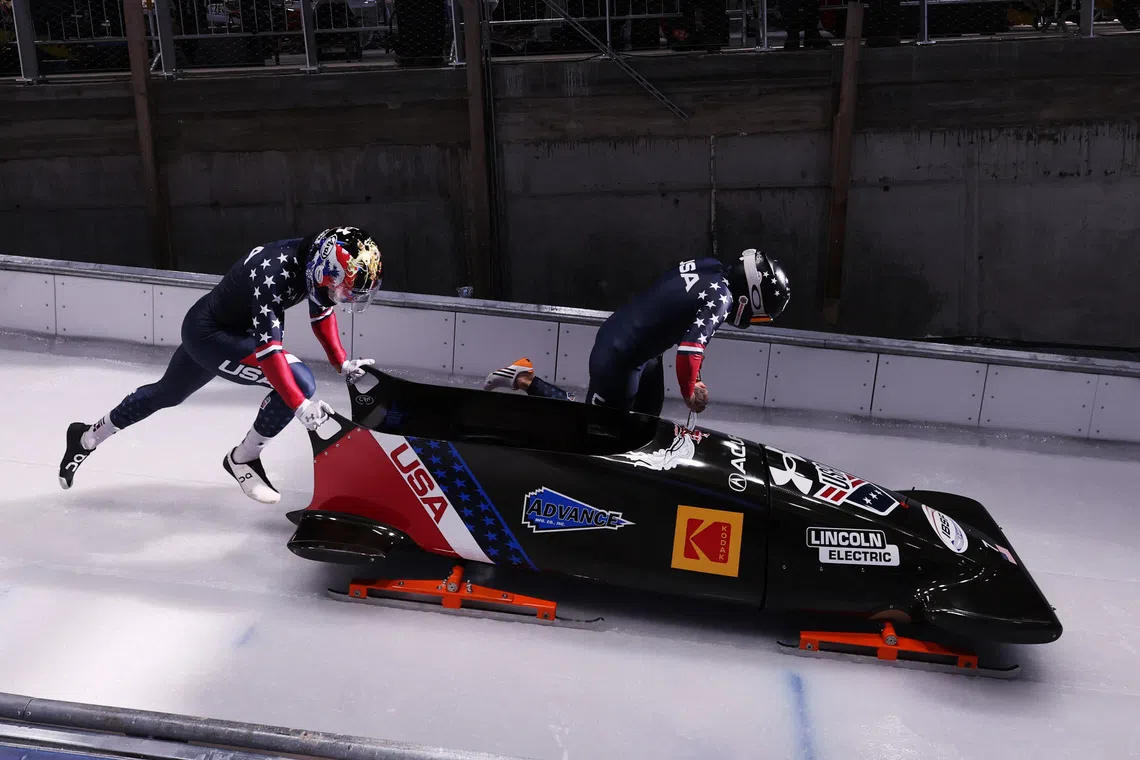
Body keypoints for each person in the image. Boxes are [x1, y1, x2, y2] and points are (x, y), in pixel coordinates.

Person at [57, 226, 384, 505]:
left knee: (165, 394)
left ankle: (85, 437)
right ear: (323, 270)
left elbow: (321, 312)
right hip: (212, 336)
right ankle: (243, 458)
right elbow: (270, 353)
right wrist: (300, 406)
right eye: (341, 289)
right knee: (300, 382)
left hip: (213, 327)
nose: (341, 297)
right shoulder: (276, 275)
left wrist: (341, 362)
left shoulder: (312, 259)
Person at [484, 249, 790, 417]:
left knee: (645, 423)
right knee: (593, 430)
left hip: (642, 350)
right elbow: (688, 354)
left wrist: (694, 379)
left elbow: (686, 323)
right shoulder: (721, 300)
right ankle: (523, 377)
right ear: (749, 296)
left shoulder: (710, 265)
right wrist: (690, 393)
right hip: (620, 358)